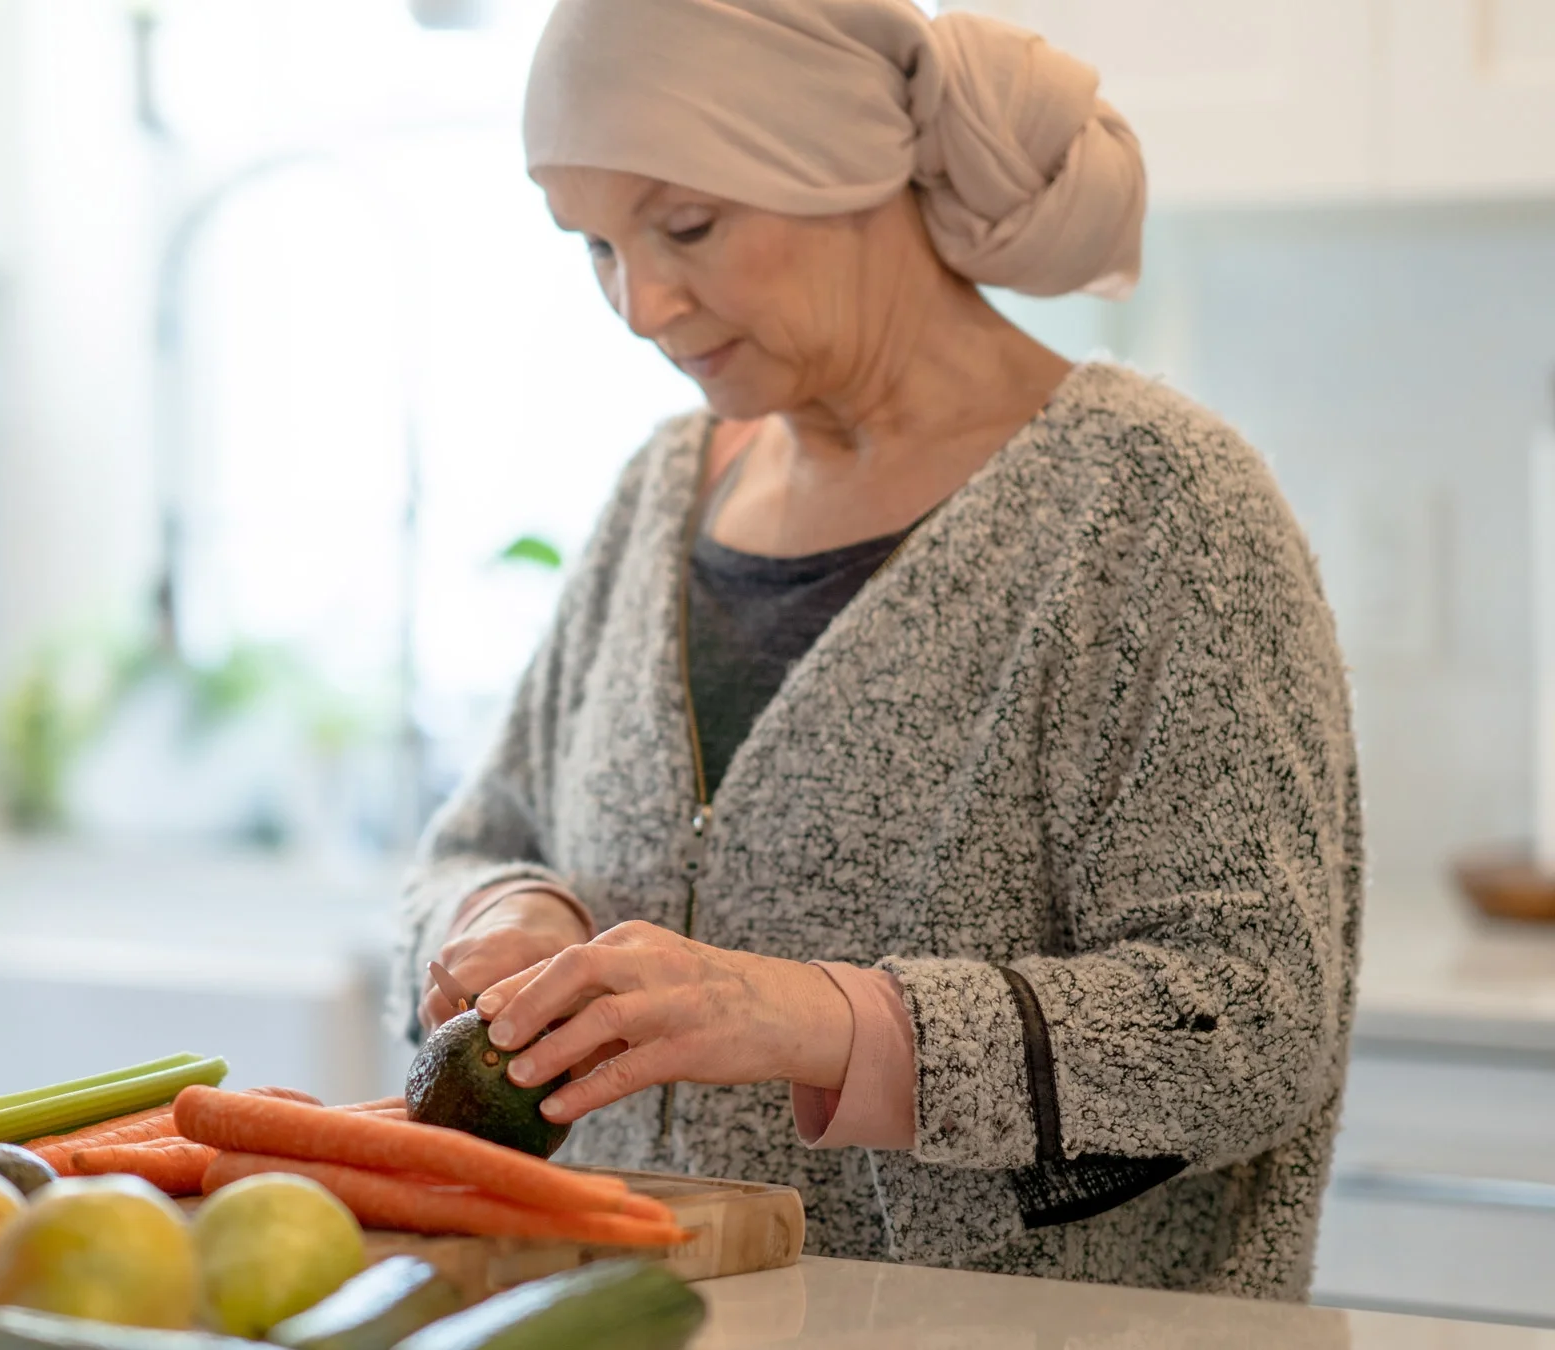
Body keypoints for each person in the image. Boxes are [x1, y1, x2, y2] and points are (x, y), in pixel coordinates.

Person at [396, 0, 1361, 1300]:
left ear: (845, 165)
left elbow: (1253, 1017)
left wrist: (816, 1016)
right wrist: (505, 909)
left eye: (684, 226)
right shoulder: (660, 491)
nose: (640, 302)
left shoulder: (1152, 506)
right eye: (595, 248)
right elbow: (480, 826)